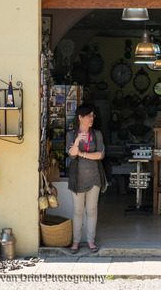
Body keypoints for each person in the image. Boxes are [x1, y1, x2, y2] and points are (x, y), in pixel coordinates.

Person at [66, 103, 106, 254]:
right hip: (77, 178)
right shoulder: (71, 134)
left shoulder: (97, 134)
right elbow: (71, 154)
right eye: (89, 115)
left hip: (94, 177)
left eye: (93, 115)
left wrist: (82, 154)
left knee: (91, 210)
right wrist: (76, 142)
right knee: (77, 211)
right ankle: (76, 242)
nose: (91, 118)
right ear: (80, 117)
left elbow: (100, 155)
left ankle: (90, 241)